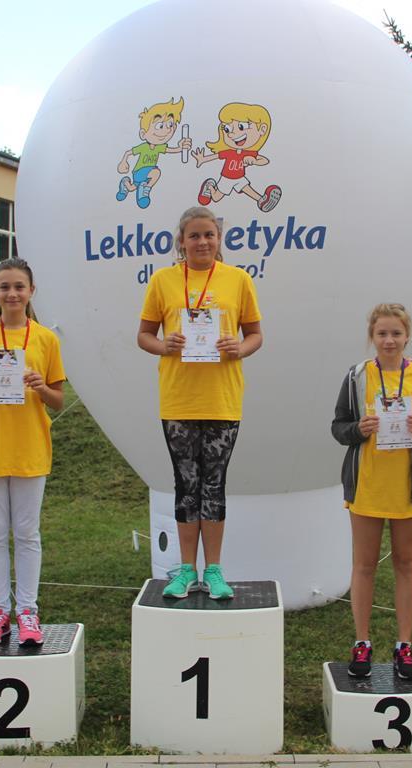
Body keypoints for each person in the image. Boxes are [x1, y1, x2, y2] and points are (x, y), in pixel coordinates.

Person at [138, 206, 263, 600]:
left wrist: (239, 348)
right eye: (194, 235)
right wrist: (165, 345)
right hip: (179, 400)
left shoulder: (238, 280)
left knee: (214, 486)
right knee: (186, 486)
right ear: (181, 241)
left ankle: (214, 571)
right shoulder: (163, 281)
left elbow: (255, 334)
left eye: (209, 234)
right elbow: (144, 335)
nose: (202, 242)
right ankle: (186, 570)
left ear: (219, 238)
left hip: (222, 398)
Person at [331, 303, 412, 680]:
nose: (389, 340)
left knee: (405, 565)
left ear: (407, 336)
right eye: (382, 333)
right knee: (364, 565)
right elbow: (338, 427)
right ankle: (362, 642)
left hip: (407, 488)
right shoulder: (357, 376)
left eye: (396, 333)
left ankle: (404, 646)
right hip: (367, 485)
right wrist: (358, 429)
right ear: (372, 336)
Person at [0, 258, 66, 647]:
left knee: (27, 533)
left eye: (19, 286)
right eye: (4, 287)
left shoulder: (46, 340)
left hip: (30, 447)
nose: (12, 294)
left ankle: (28, 611)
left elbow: (58, 400)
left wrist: (41, 387)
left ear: (31, 291)